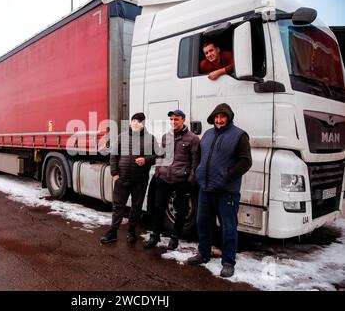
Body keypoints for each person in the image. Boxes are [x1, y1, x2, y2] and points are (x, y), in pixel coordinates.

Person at [187, 103, 252, 278]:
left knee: (228, 228)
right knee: (203, 223)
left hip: (226, 191)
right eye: (216, 117)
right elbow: (198, 155)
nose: (219, 120)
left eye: (222, 117)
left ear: (229, 117)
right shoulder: (207, 134)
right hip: (206, 189)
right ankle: (203, 253)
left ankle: (228, 262)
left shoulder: (239, 135)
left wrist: (227, 176)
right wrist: (197, 172)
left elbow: (246, 161)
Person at [143, 110, 199, 250]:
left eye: (177, 119)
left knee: (181, 210)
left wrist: (191, 179)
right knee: (158, 207)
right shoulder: (166, 136)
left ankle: (174, 238)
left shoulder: (193, 139)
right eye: (172, 119)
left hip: (181, 180)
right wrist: (158, 171)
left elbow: (195, 162)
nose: (173, 122)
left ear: (183, 120)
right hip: (164, 178)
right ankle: (155, 236)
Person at [100, 112, 158, 245]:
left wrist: (146, 159)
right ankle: (113, 232)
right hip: (122, 178)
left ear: (143, 123)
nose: (135, 123)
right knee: (118, 206)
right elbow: (113, 155)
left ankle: (132, 231)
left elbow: (158, 156)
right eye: (133, 121)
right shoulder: (122, 137)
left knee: (136, 207)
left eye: (138, 121)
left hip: (140, 180)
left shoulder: (150, 138)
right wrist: (114, 173)